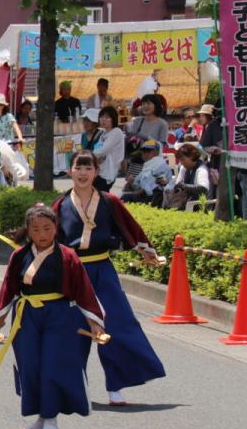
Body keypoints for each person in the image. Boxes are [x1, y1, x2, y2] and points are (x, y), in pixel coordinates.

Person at [0, 205, 106, 429]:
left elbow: (84, 290)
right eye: (36, 229)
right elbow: (8, 290)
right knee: (30, 365)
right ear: (29, 231)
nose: (42, 234)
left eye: (47, 228)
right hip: (26, 314)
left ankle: (51, 418)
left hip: (59, 315)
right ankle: (40, 415)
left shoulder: (67, 256)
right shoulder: (19, 256)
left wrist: (95, 321)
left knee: (53, 364)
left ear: (55, 228)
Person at [56, 151, 165, 405]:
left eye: (88, 168)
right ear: (70, 171)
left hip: (102, 270)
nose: (83, 173)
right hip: (73, 274)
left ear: (96, 172)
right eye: (78, 167)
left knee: (116, 325)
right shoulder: (60, 204)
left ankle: (116, 385)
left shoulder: (109, 201)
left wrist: (147, 250)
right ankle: (73, 386)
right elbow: (47, 238)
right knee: (73, 329)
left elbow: (131, 227)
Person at [163, 143, 213, 210]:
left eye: (183, 160)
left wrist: (184, 186)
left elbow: (203, 188)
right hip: (188, 201)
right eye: (180, 160)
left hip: (200, 205)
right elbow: (178, 184)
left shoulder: (201, 169)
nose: (181, 162)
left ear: (192, 157)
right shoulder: (184, 168)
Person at [121, 139, 170, 205]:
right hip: (144, 198)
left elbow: (156, 187)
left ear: (156, 152)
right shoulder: (146, 167)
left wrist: (134, 192)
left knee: (125, 198)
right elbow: (128, 188)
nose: (145, 154)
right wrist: (130, 183)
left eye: (148, 151)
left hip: (155, 199)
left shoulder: (162, 166)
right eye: (143, 151)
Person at [90, 106, 124, 193]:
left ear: (113, 119)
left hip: (108, 173)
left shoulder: (116, 132)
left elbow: (103, 150)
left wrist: (88, 156)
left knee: (100, 196)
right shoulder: (103, 133)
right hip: (99, 171)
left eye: (107, 117)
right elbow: (97, 150)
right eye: (101, 117)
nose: (103, 119)